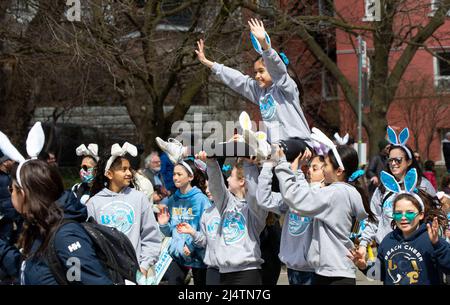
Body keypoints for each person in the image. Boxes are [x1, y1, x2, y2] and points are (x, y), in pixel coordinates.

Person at [274, 127, 369, 285]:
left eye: (326, 165)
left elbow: (296, 198)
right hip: (337, 271)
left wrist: (282, 164)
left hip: (333, 275)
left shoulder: (333, 193)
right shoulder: (350, 191)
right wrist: (363, 244)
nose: (323, 168)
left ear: (339, 171)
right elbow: (368, 220)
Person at [0, 159, 113, 284]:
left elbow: (90, 280)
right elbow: (26, 269)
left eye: (11, 189)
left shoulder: (65, 236)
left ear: (22, 193)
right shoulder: (41, 226)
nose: (10, 193)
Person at [349, 170, 449, 285]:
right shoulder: (388, 241)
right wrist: (363, 266)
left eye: (409, 212)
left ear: (421, 215)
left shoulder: (431, 239)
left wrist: (437, 245)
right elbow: (379, 274)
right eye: (398, 213)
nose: (403, 217)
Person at [358, 127, 436, 260]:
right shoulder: (383, 188)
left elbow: (435, 215)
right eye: (390, 160)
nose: (393, 164)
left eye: (398, 160)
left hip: (417, 253)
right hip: (388, 251)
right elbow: (373, 218)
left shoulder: (422, 185)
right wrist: (363, 243)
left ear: (409, 161)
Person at [87, 142, 162, 279]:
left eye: (129, 169)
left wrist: (144, 266)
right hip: (107, 274)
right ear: (109, 174)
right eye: (123, 169)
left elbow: (151, 236)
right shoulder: (93, 203)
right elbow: (91, 242)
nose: (129, 173)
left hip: (137, 272)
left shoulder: (139, 198)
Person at [195, 150, 268, 285]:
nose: (227, 179)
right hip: (224, 273)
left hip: (247, 273)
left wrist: (248, 164)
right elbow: (217, 186)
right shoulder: (226, 204)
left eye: (231, 176)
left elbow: (253, 193)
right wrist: (211, 162)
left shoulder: (256, 210)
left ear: (242, 181)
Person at [256, 153, 326, 285]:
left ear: (326, 171)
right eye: (309, 167)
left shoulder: (325, 195)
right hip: (293, 269)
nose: (309, 170)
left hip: (314, 271)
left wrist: (295, 169)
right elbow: (264, 199)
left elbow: (305, 194)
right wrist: (267, 167)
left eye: (315, 168)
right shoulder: (292, 195)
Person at [156, 158, 211, 285]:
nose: (175, 178)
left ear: (190, 177)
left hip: (199, 258)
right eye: (174, 174)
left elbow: (206, 230)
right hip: (178, 256)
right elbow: (171, 232)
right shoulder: (172, 200)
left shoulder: (201, 200)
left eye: (179, 174)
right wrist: (163, 224)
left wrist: (191, 246)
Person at [175, 180, 221, 285]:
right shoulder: (207, 212)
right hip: (212, 267)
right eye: (206, 187)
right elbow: (204, 241)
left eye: (211, 187)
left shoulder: (231, 209)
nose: (207, 191)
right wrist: (193, 232)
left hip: (233, 268)